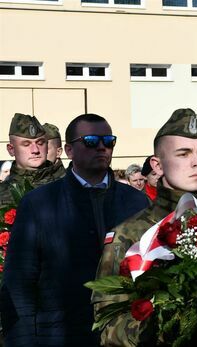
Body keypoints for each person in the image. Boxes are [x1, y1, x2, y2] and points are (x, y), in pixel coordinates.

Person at [0, 113, 149, 346]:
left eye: (108, 141)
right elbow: (19, 281)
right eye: (90, 141)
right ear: (69, 150)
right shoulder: (40, 203)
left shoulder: (136, 201)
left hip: (124, 332)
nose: (101, 147)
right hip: (60, 334)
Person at [93, 108, 197, 346]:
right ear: (157, 166)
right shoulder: (129, 235)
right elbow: (108, 325)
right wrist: (162, 325)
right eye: (183, 154)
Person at [0, 113, 65, 208]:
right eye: (26, 144)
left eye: (40, 143)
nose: (35, 150)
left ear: (47, 146)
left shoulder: (69, 186)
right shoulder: (2, 193)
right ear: (11, 150)